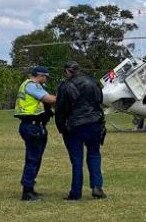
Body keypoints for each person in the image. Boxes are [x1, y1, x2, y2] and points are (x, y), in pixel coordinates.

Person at [55, 61, 106, 200]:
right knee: (94, 155)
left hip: (74, 125)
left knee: (77, 160)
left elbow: (60, 109)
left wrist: (61, 127)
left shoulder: (66, 86)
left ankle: (76, 192)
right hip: (95, 123)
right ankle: (97, 186)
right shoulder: (94, 82)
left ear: (67, 71)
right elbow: (99, 102)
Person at [14, 66, 56, 201]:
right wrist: (64, 96)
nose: (46, 79)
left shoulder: (26, 84)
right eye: (45, 77)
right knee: (33, 158)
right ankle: (27, 191)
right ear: (40, 75)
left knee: (35, 158)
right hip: (33, 127)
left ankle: (30, 186)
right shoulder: (33, 86)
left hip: (32, 126)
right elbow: (48, 99)